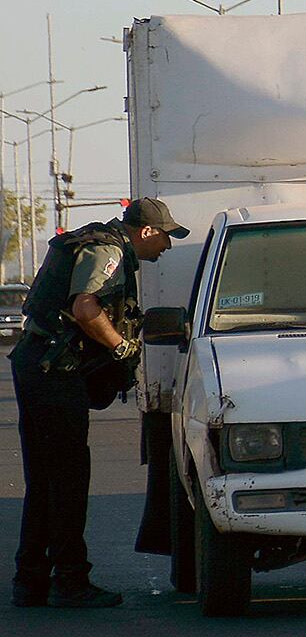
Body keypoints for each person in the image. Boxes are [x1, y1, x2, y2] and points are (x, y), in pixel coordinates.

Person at [11, 197, 185, 609]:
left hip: (38, 364)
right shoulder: (107, 250)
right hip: (55, 372)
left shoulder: (97, 243)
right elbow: (85, 307)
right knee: (68, 480)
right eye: (164, 236)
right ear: (145, 231)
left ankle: (31, 580)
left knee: (44, 480)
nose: (166, 246)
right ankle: (70, 582)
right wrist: (122, 346)